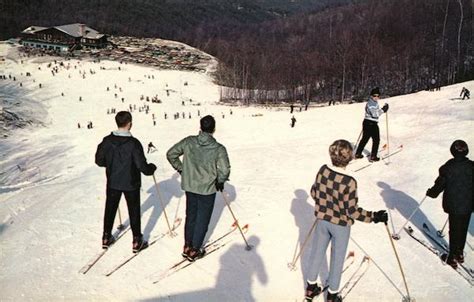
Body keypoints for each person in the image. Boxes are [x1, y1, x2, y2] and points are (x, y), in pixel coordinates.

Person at [305, 139, 388, 302]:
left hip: (322, 220)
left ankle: (310, 288)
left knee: (317, 252)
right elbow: (352, 211)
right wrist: (374, 217)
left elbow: (314, 193)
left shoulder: (323, 171)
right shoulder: (349, 182)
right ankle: (332, 296)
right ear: (349, 158)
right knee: (337, 258)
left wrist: (325, 202)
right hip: (340, 226)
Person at [166, 115, 231, 262]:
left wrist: (183, 170)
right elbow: (225, 169)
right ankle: (195, 249)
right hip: (207, 189)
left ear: (200, 127)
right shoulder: (218, 148)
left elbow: (171, 154)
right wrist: (220, 181)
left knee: (191, 215)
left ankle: (187, 246)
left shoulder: (189, 141)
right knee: (202, 218)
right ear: (213, 129)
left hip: (190, 186)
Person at [95, 111, 156, 253]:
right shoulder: (134, 143)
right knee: (134, 210)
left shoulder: (107, 141)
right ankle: (136, 240)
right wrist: (151, 168)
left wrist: (111, 164)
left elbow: (99, 160)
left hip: (113, 182)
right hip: (131, 183)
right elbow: (142, 166)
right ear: (129, 124)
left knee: (110, 208)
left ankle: (106, 237)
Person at [426, 140, 473, 269]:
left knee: (454, 230)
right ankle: (459, 253)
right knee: (463, 228)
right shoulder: (472, 166)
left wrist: (432, 193)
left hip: (454, 204)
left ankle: (452, 257)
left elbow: (440, 184)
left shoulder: (447, 168)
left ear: (452, 151)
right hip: (468, 204)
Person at [354, 87, 389, 161]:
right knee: (376, 140)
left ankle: (358, 153)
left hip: (368, 122)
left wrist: (383, 109)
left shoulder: (374, 103)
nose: (376, 97)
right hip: (371, 123)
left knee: (365, 139)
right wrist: (383, 110)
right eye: (374, 95)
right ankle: (373, 156)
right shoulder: (370, 103)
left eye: (378, 96)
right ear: (371, 96)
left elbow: (376, 112)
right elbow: (375, 114)